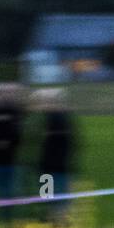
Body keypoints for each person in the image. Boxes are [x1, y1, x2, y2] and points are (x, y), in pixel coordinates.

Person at [31, 87, 76, 218]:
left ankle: (55, 222)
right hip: (54, 168)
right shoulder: (63, 119)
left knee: (52, 200)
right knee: (52, 200)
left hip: (52, 168)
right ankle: (55, 221)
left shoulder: (52, 120)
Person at [0, 82, 25, 212]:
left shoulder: (17, 111)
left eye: (9, 93)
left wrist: (11, 142)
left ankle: (9, 206)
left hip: (13, 156)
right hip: (3, 157)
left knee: (10, 182)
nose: (5, 96)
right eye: (2, 93)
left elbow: (20, 132)